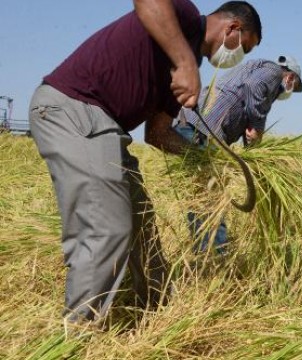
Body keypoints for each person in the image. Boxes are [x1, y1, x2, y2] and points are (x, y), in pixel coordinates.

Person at [28, 0, 262, 324]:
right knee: (107, 228)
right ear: (233, 29)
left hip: (107, 128)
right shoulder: (185, 17)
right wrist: (185, 64)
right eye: (244, 48)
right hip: (74, 109)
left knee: (142, 225)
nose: (239, 56)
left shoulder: (187, 59)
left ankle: (156, 314)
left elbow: (157, 134)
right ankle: (78, 336)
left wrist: (203, 157)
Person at [174, 55, 302, 253]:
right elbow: (254, 86)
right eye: (293, 87)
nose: (288, 91)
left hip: (197, 127)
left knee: (201, 194)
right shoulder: (273, 72)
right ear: (290, 78)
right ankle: (216, 254)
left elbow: (249, 119)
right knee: (211, 195)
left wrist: (255, 155)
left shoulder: (259, 78)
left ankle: (205, 253)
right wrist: (258, 126)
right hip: (202, 128)